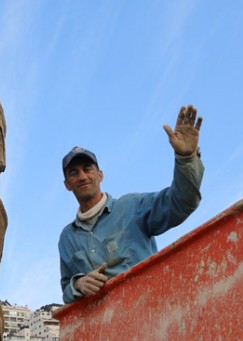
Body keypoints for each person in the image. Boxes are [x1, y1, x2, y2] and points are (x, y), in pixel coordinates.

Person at [59, 105, 204, 303]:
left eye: (87, 169)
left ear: (100, 175)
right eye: (74, 173)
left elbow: (181, 202)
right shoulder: (67, 238)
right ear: (68, 184)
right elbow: (67, 288)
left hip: (149, 311)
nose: (82, 176)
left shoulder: (132, 207)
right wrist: (78, 284)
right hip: (103, 329)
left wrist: (186, 158)